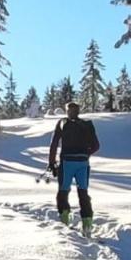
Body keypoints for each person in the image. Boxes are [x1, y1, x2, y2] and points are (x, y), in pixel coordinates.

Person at [48, 101, 100, 236]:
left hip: (67, 163)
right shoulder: (87, 124)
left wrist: (52, 163)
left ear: (67, 111)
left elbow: (54, 144)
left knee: (63, 191)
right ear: (78, 111)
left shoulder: (62, 123)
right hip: (83, 163)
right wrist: (85, 154)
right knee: (83, 192)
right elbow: (96, 146)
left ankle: (65, 221)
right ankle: (87, 225)